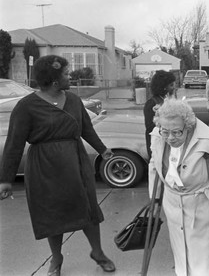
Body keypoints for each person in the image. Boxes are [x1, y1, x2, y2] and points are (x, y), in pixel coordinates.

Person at [0, 55, 116, 276]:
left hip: (76, 160)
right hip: (45, 167)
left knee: (89, 208)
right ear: (54, 80)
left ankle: (98, 252)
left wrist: (102, 149)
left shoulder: (73, 100)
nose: (69, 75)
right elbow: (14, 144)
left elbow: (86, 128)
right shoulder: (27, 106)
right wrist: (6, 180)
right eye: (65, 72)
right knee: (53, 214)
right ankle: (56, 258)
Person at [148, 99, 209, 276]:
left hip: (203, 208)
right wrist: (155, 199)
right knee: (182, 255)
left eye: (176, 132)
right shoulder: (158, 136)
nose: (170, 138)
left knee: (207, 260)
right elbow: (154, 165)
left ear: (188, 126)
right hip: (173, 205)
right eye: (165, 131)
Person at [143, 70, 176, 158]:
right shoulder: (151, 103)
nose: (174, 87)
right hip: (157, 143)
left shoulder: (166, 99)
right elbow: (150, 127)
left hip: (167, 141)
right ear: (164, 86)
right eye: (171, 85)